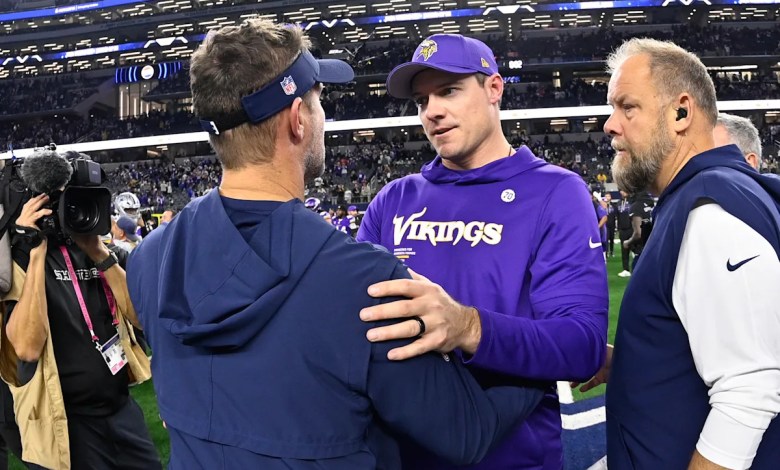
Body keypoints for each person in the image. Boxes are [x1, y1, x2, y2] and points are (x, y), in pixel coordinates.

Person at [127, 19, 543, 470]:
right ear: (297, 120)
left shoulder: (149, 257)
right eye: (318, 102)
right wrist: (542, 356)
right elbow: (465, 432)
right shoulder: (366, 282)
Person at [356, 33, 608, 470]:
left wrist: (468, 327)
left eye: (449, 90)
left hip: (513, 457)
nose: (432, 111)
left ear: (494, 89)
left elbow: (583, 345)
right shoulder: (393, 200)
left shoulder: (556, 192)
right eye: (421, 100)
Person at [575, 37, 780, 469]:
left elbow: (748, 392)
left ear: (681, 112)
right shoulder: (717, 191)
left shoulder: (709, 208)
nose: (610, 125)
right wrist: (637, 362)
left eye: (626, 106)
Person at [0, 150, 160, 469]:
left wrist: (98, 251)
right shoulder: (19, 262)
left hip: (120, 409)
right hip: (64, 421)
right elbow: (28, 349)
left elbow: (143, 321)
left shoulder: (104, 254)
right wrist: (35, 253)